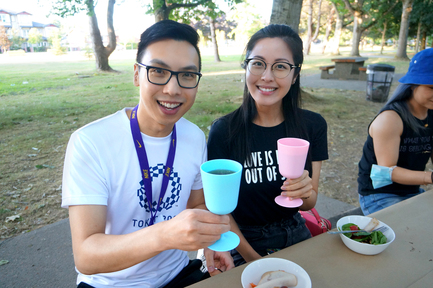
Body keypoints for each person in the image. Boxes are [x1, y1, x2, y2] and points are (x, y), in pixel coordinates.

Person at [61, 20, 234, 288]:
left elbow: (197, 205)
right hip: (109, 283)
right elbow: (86, 255)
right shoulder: (91, 142)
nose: (173, 89)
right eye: (158, 71)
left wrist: (210, 242)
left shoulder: (194, 137)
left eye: (187, 75)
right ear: (136, 75)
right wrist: (164, 235)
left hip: (177, 274)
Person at [206, 24, 328, 266]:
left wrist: (303, 191)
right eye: (258, 63)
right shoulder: (224, 131)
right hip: (243, 239)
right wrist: (256, 261)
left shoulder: (312, 125)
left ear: (295, 75)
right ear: (246, 67)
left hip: (295, 229)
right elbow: (221, 210)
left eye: (281, 66)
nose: (267, 76)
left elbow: (310, 202)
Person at [357, 48, 433, 215]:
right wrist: (430, 177)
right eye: (431, 87)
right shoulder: (391, 119)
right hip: (380, 194)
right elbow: (387, 171)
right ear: (413, 85)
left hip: (411, 191)